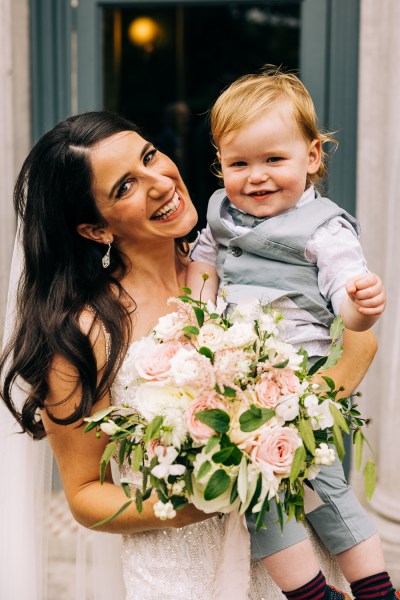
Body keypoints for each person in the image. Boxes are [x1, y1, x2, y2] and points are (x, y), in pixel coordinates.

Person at [0, 110, 378, 600]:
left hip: (299, 545)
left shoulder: (239, 255)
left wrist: (288, 414)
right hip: (185, 571)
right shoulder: (81, 332)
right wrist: (205, 496)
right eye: (125, 187)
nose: (160, 182)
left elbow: (357, 337)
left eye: (151, 156)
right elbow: (86, 496)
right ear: (95, 230)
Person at [189, 67, 398, 600]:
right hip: (239, 377)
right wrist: (196, 320)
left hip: (299, 381)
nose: (256, 177)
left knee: (325, 488)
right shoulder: (219, 211)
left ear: (312, 158)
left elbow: (346, 291)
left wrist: (361, 309)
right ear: (220, 166)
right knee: (259, 494)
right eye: (239, 164)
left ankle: (376, 591)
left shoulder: (324, 229)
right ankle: (315, 595)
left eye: (273, 160)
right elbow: (204, 268)